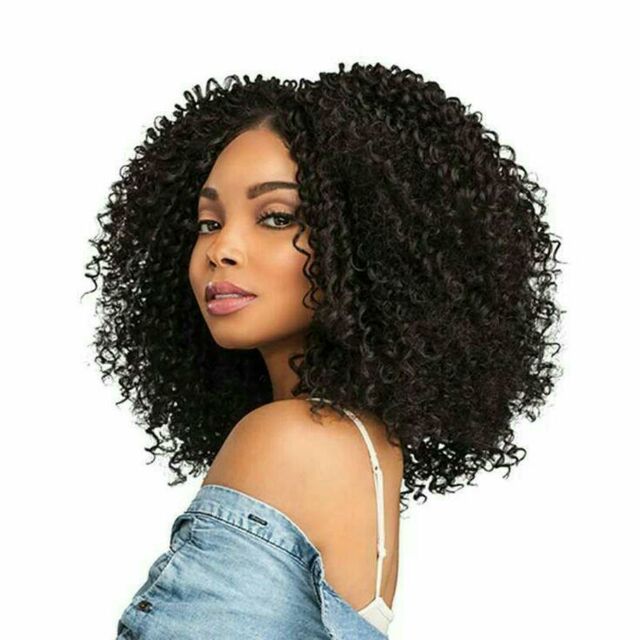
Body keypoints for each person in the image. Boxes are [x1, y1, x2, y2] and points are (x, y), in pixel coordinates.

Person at [83, 61, 564, 639]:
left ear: (363, 242)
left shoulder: (287, 439)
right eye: (208, 222)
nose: (221, 248)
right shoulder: (364, 440)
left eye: (276, 217)